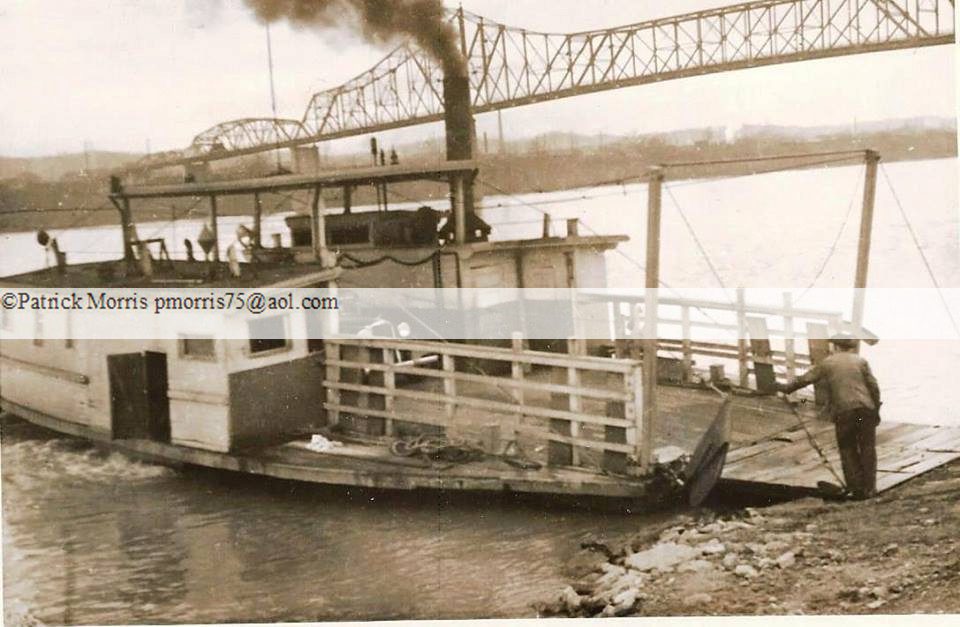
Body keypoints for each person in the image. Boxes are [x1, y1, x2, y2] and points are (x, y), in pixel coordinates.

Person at [776, 334, 881, 500]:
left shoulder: (828, 363)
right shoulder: (861, 361)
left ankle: (855, 489)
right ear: (850, 347)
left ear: (835, 347)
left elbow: (806, 379)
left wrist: (785, 388)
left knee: (847, 448)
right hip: (865, 410)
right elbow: (874, 387)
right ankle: (870, 489)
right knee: (868, 449)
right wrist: (876, 410)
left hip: (845, 411)